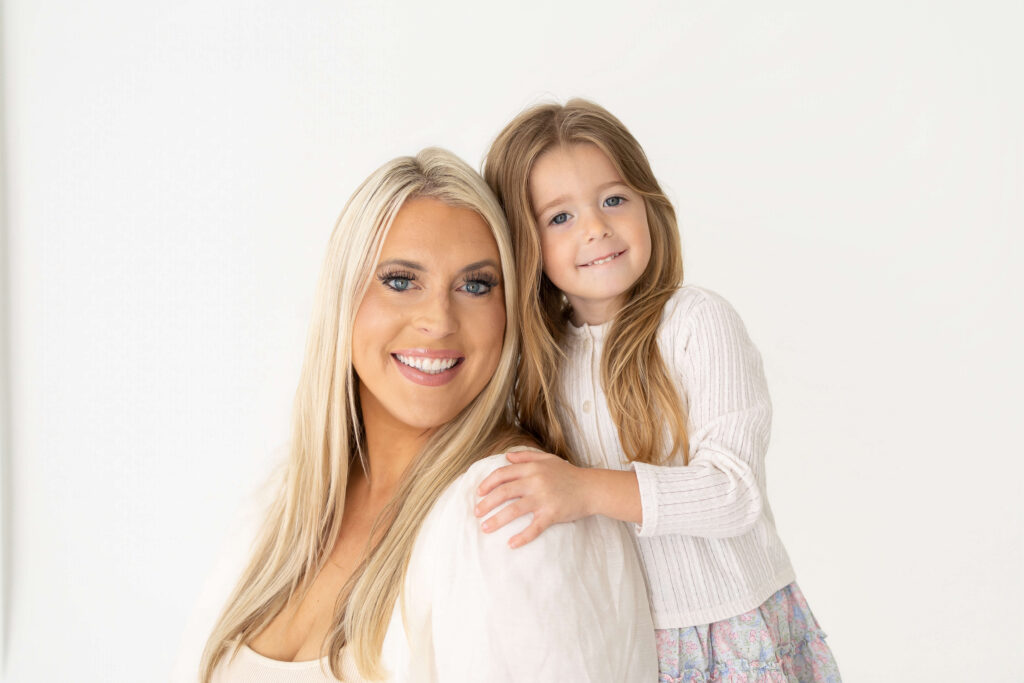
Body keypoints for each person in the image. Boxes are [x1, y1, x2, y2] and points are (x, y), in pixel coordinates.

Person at [196, 148, 656, 682]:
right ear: (343, 297)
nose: (438, 321)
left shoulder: (507, 511)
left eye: (476, 285)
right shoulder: (284, 500)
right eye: (400, 280)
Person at [478, 100, 842, 682]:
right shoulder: (542, 364)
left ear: (648, 203)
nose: (597, 226)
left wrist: (584, 489)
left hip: (735, 627)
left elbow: (733, 493)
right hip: (627, 642)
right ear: (525, 244)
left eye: (613, 199)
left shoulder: (696, 322)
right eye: (560, 217)